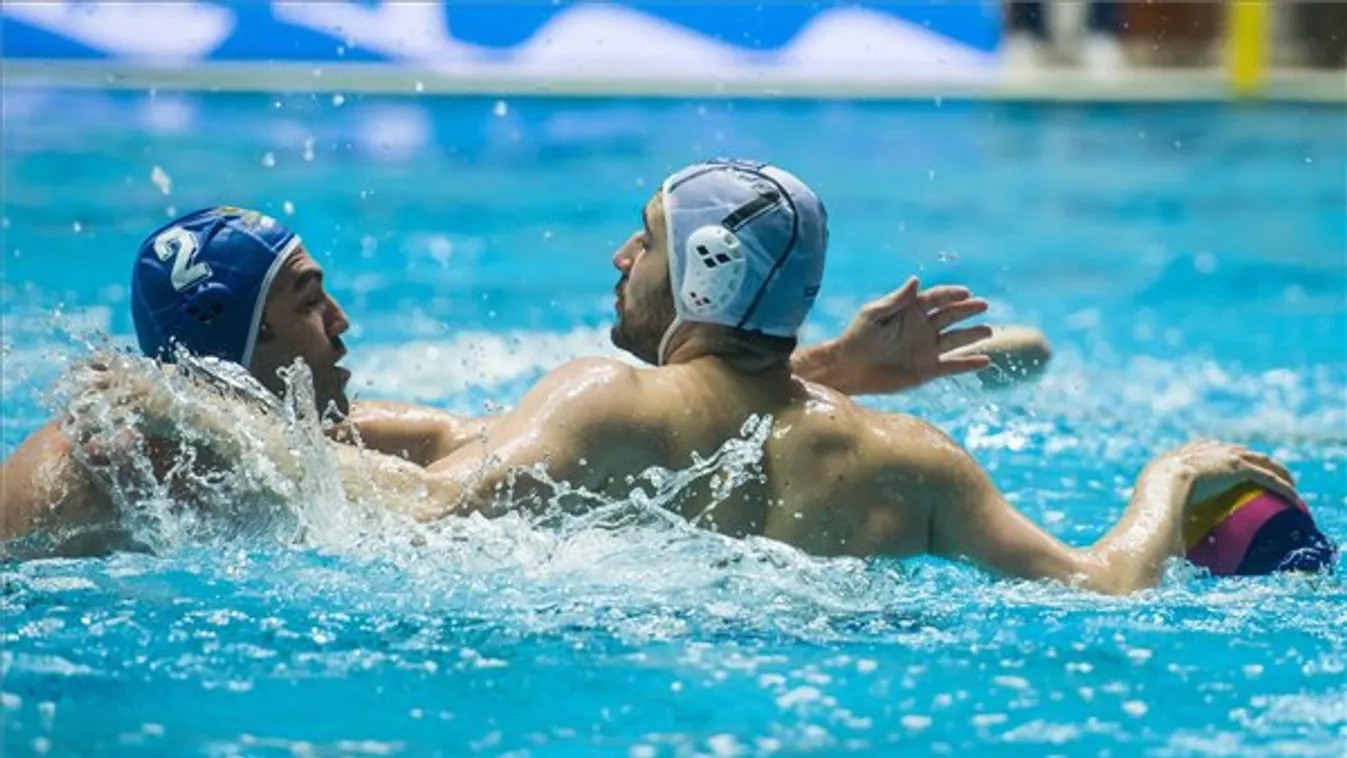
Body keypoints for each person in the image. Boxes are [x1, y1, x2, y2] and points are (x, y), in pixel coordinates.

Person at [58, 159, 1329, 595]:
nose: (621, 256)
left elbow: (414, 517)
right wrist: (1170, 478)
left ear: (707, 270)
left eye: (646, 238)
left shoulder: (591, 399)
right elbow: (1102, 584)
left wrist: (180, 408)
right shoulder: (918, 465)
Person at [1, 201, 1050, 558]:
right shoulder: (90, 467)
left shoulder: (339, 438)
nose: (344, 322)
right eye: (311, 301)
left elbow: (552, 464)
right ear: (239, 339)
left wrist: (802, 368)